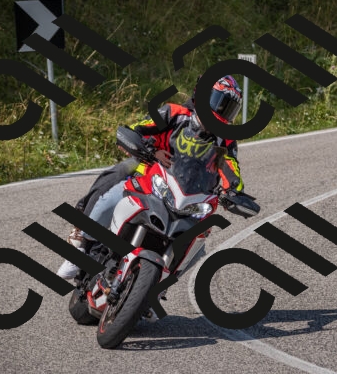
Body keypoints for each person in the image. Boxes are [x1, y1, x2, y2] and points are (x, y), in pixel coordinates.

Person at [57, 75, 244, 280]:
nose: (222, 111)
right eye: (220, 102)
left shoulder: (226, 140)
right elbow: (138, 129)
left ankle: (157, 289)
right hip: (151, 176)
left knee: (198, 248)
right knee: (116, 181)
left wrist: (234, 191)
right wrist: (151, 151)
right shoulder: (174, 112)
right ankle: (82, 244)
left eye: (229, 108)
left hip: (190, 198)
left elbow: (231, 168)